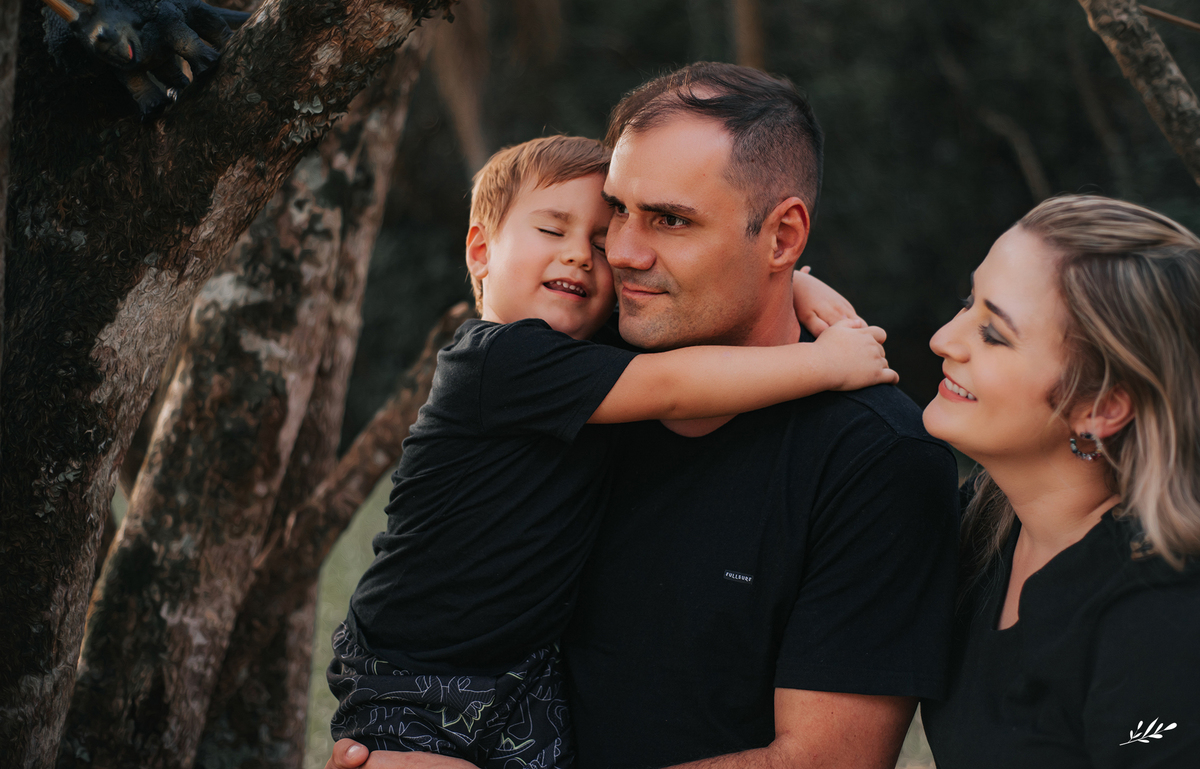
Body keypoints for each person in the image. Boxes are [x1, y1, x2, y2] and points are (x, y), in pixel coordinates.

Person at [328, 63, 959, 769]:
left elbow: (823, 762)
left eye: (669, 220)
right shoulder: (575, 367)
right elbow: (665, 377)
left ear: (783, 238)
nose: (619, 254)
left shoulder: (875, 459)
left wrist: (802, 296)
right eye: (618, 213)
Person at [920, 195, 1200, 768]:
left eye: (993, 333)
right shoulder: (984, 519)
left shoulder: (1162, 621)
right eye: (968, 302)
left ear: (1101, 407)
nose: (944, 339)